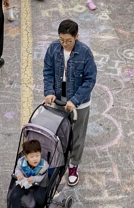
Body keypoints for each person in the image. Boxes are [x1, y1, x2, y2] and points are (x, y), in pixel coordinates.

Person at [42, 19, 96, 187]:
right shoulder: (53, 48)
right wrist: (49, 91)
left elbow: (90, 80)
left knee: (77, 136)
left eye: (68, 41)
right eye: (61, 40)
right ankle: (56, 161)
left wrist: (75, 100)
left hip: (79, 102)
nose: (64, 44)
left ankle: (73, 166)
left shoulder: (85, 53)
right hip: (58, 97)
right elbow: (48, 71)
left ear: (76, 37)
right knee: (56, 132)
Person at [7, 138, 50, 208]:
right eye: (32, 156)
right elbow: (17, 169)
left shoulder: (43, 165)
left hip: (38, 185)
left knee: (40, 200)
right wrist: (19, 174)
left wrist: (34, 179)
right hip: (25, 181)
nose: (35, 159)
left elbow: (41, 176)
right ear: (26, 157)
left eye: (37, 155)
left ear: (41, 153)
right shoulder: (21, 162)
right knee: (14, 195)